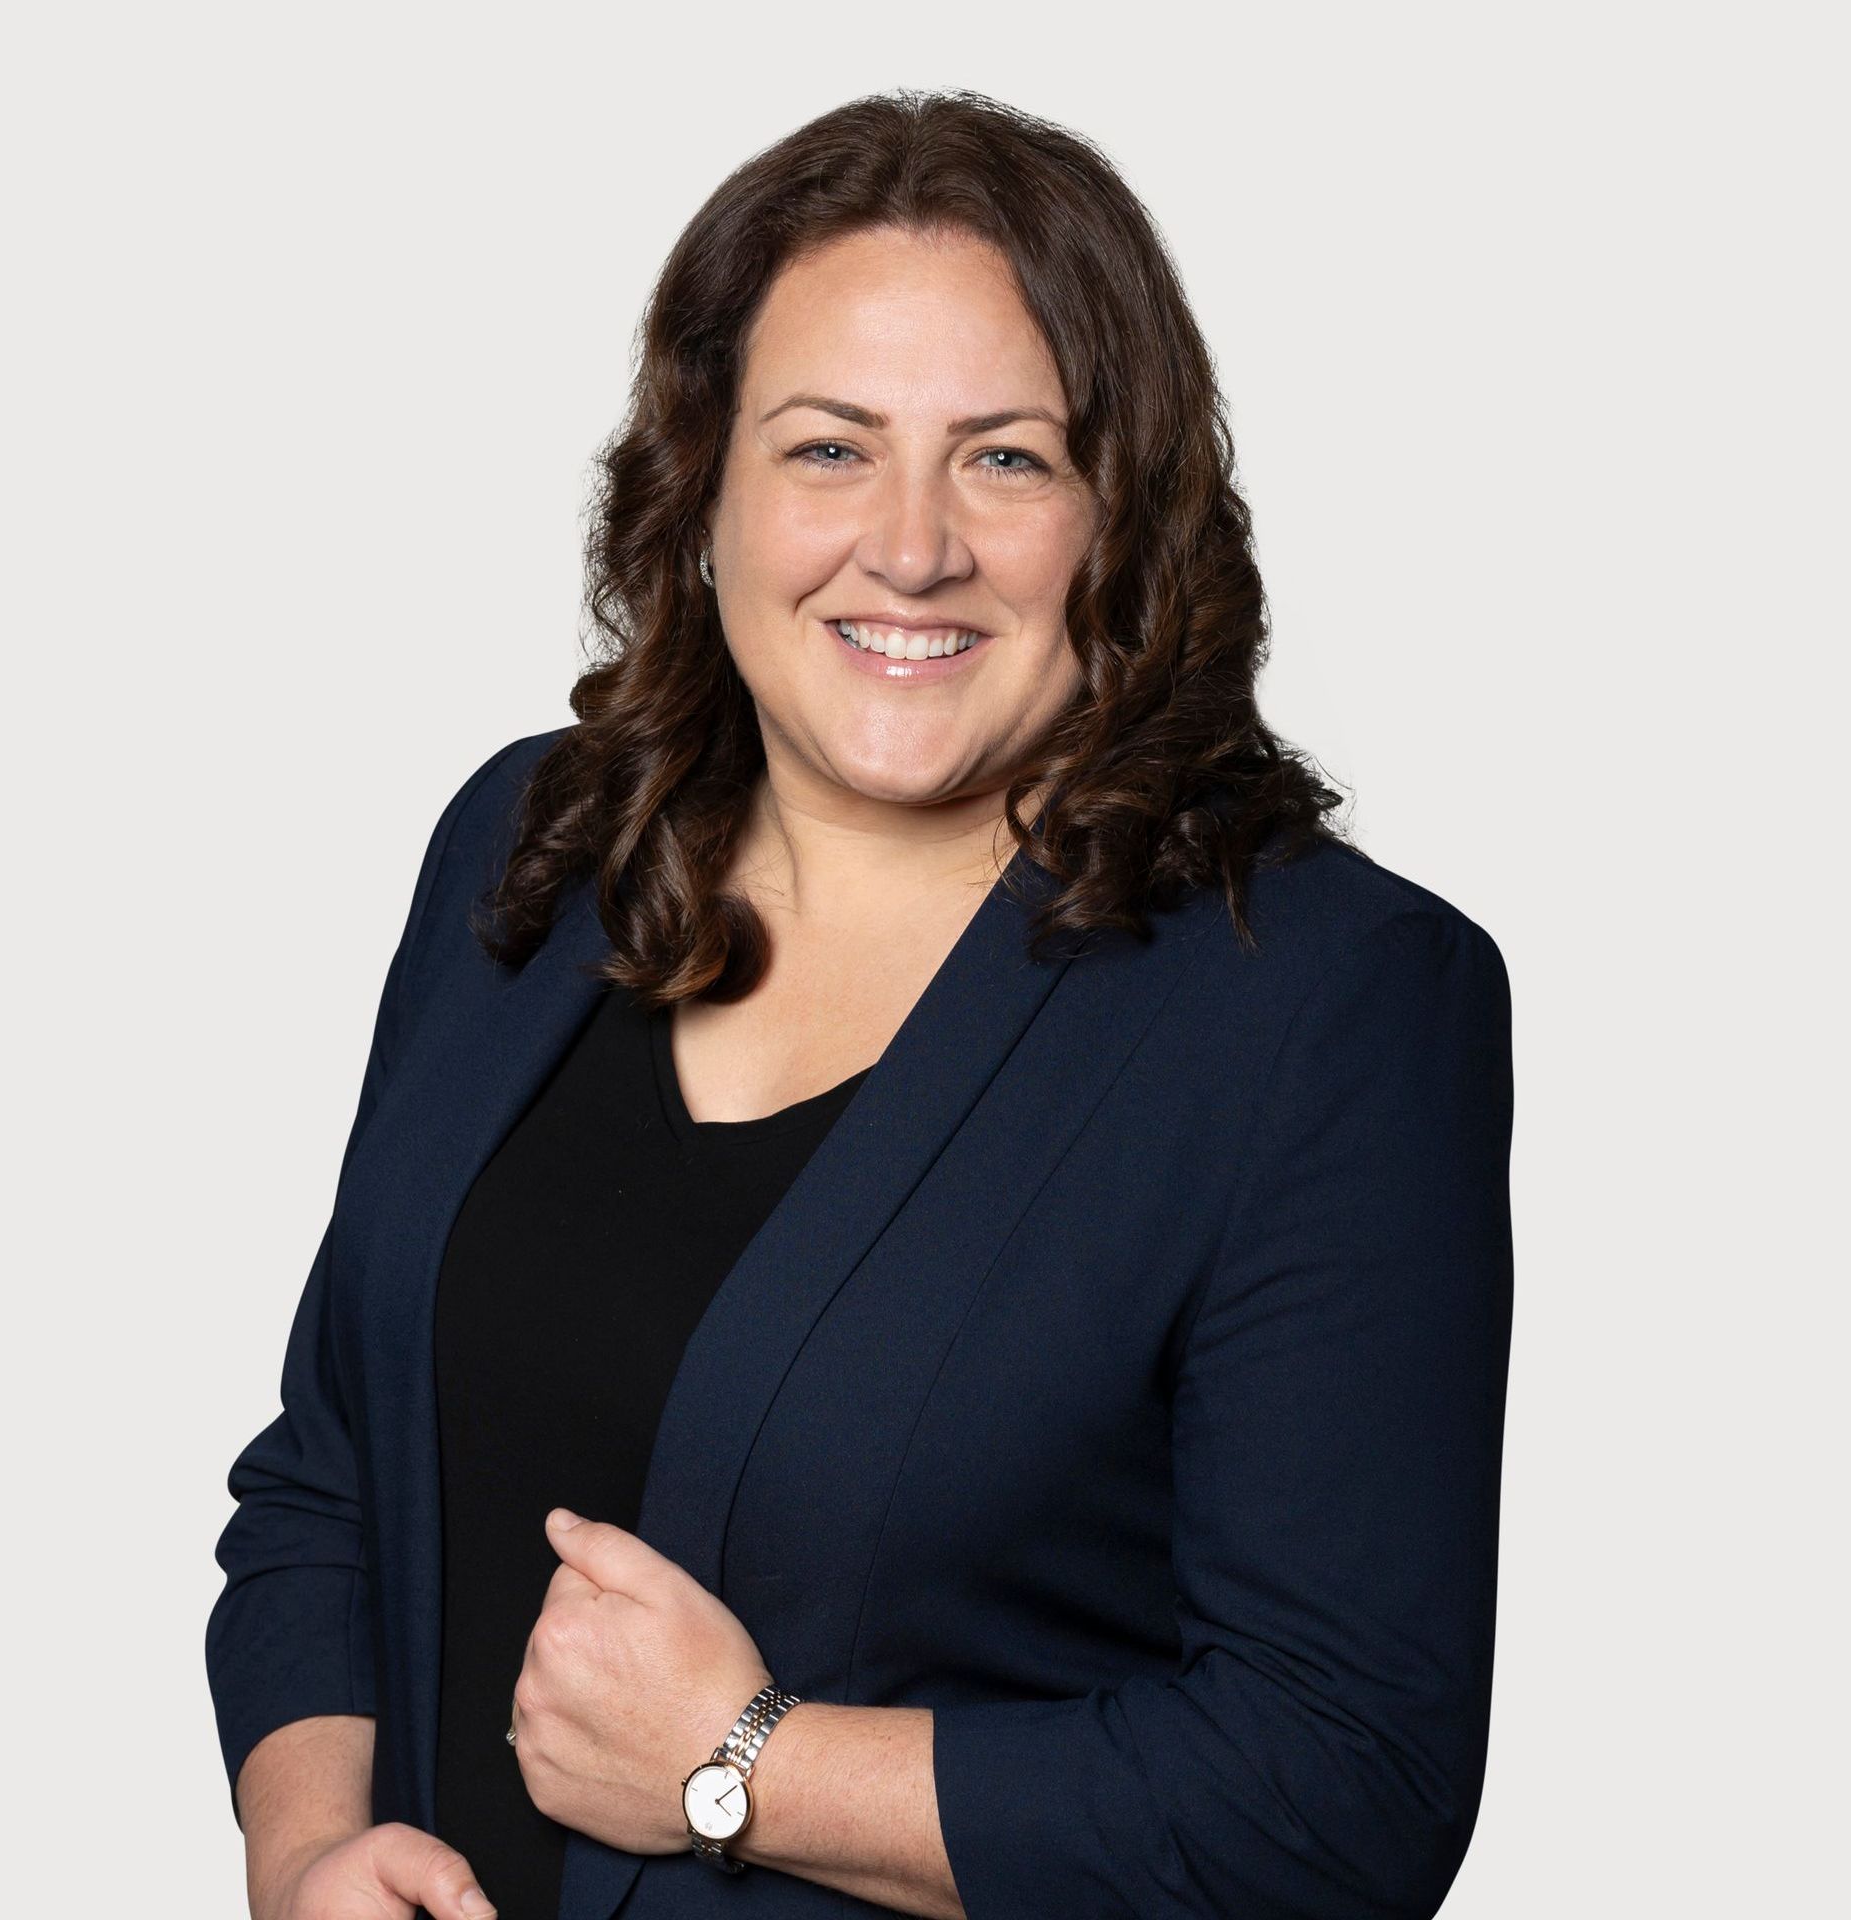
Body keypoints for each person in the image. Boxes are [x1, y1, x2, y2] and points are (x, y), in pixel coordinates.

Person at [205, 88, 1514, 1920]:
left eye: (1007, 458)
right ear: (701, 494)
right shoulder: (528, 852)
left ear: (1121, 517)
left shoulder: (1324, 1004)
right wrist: (307, 1851)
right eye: (828, 450)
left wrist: (748, 1766)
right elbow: (330, 1479)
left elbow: (1340, 1790)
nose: (910, 550)